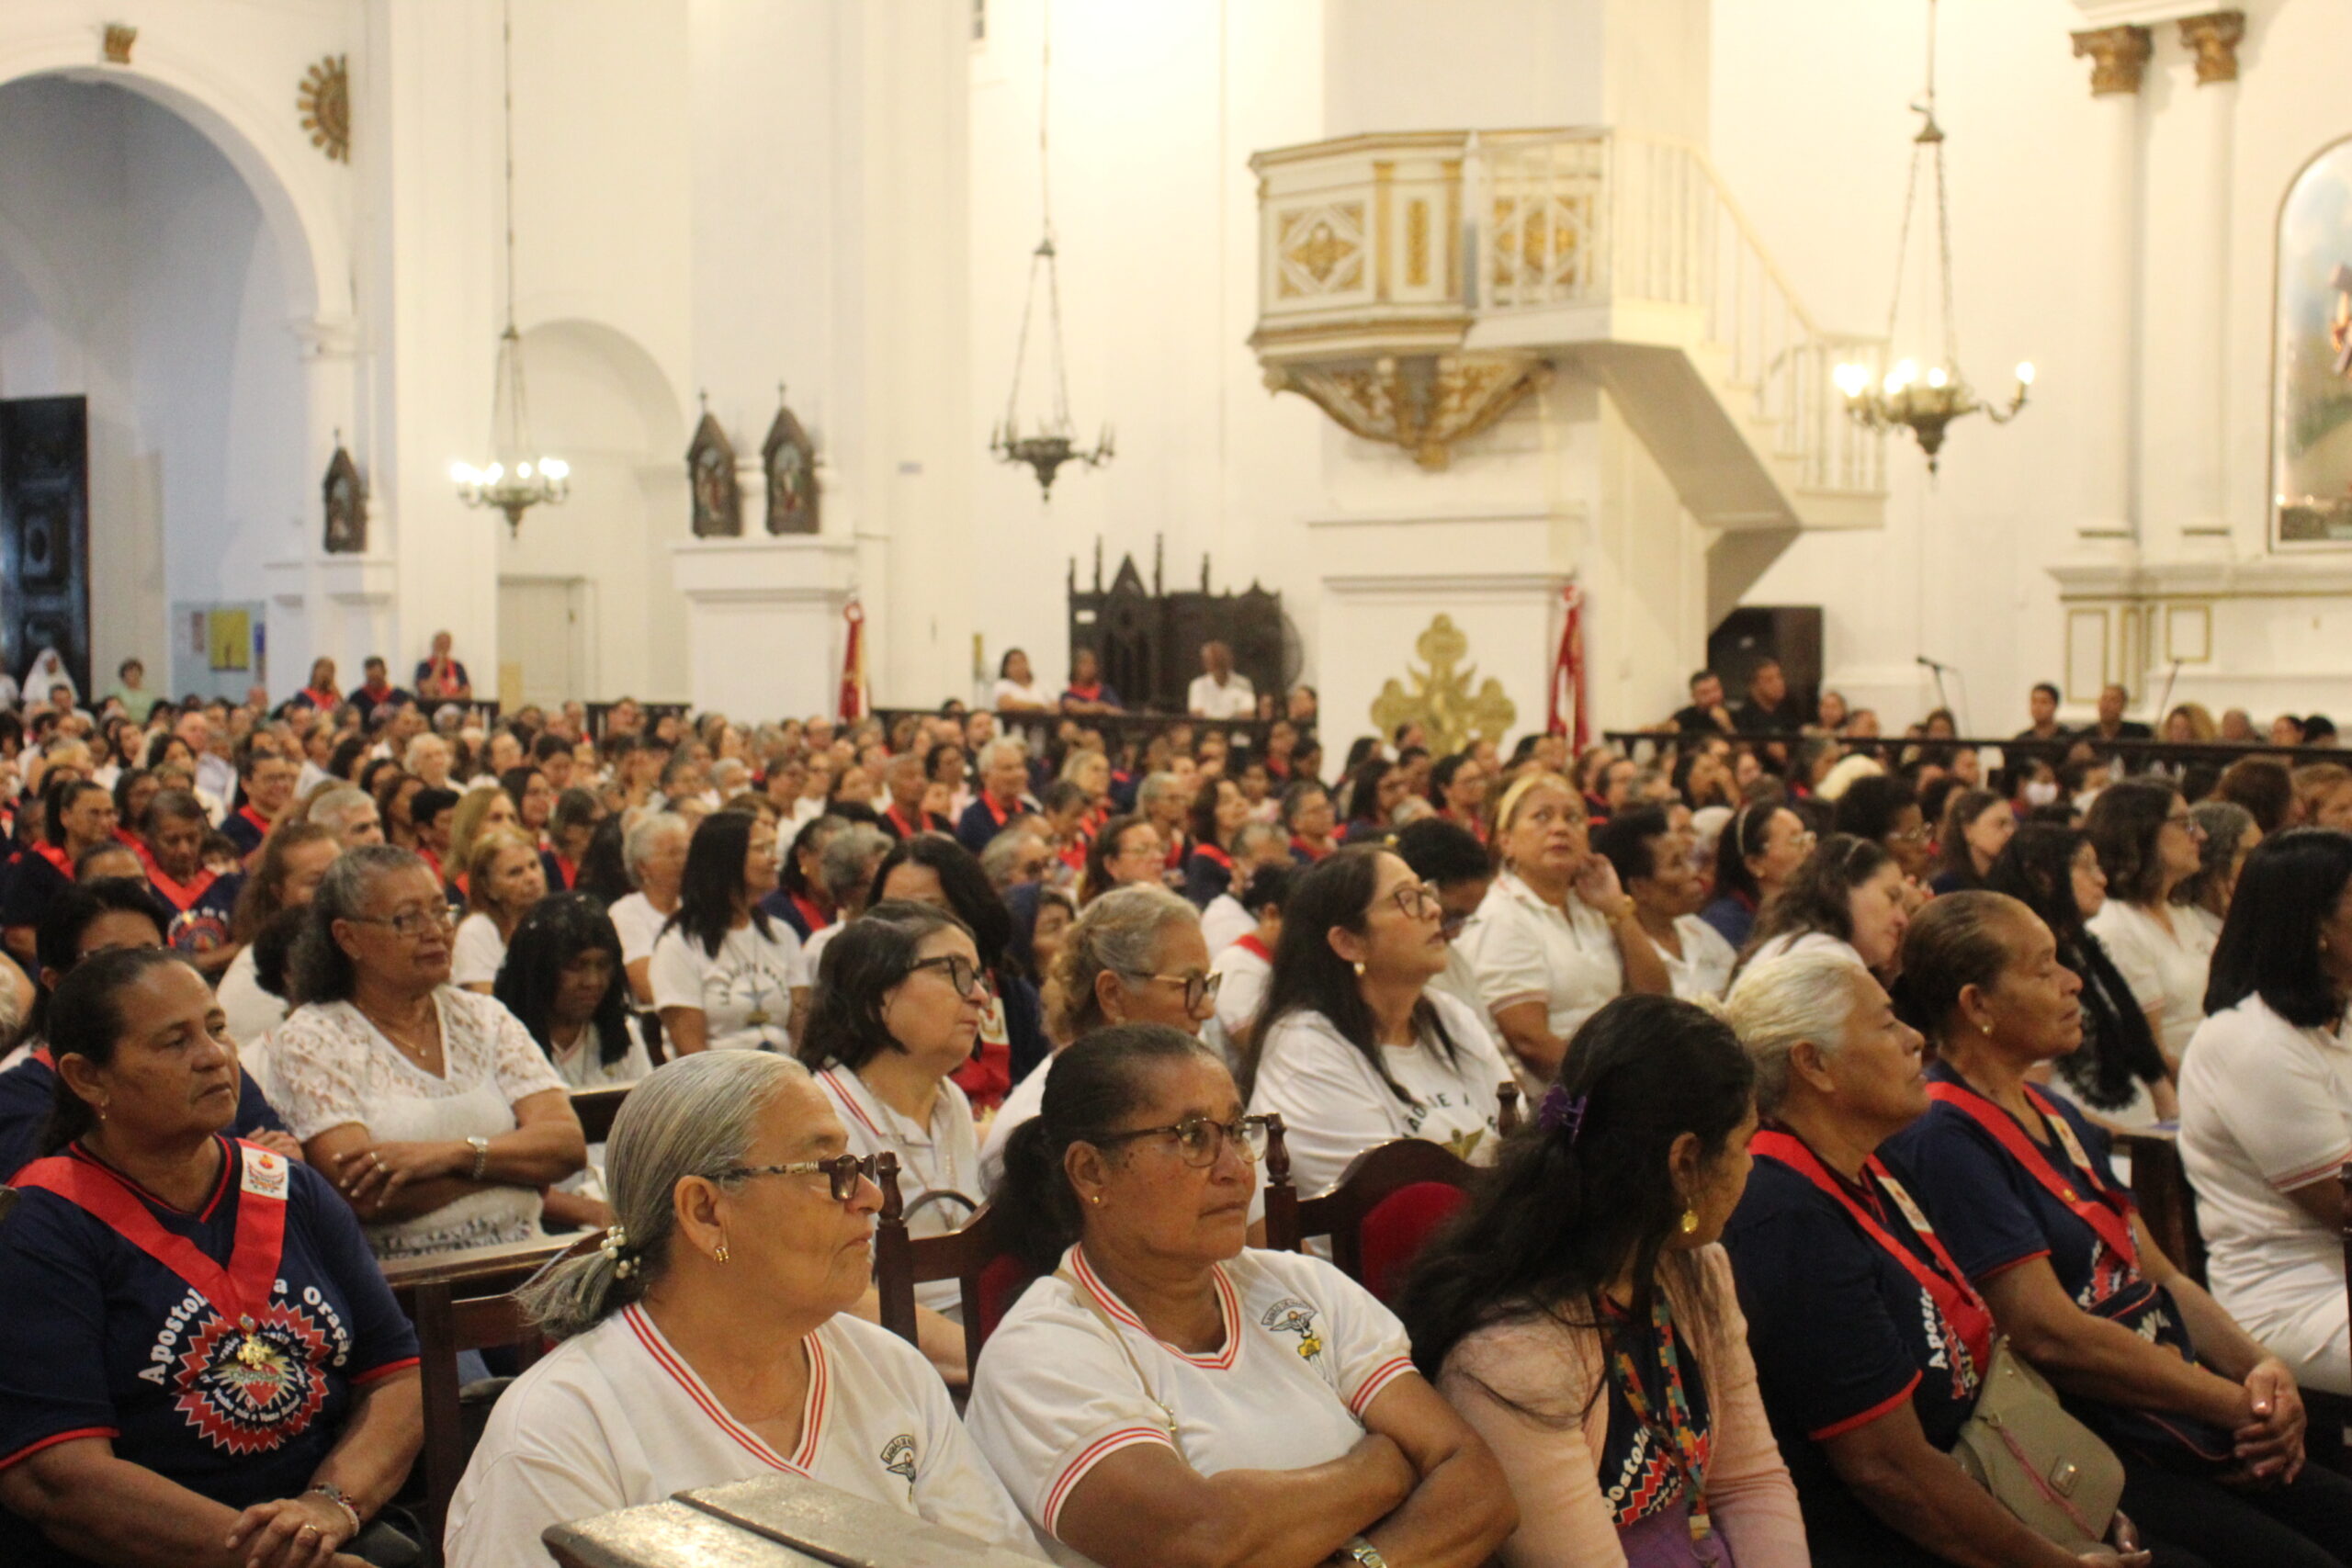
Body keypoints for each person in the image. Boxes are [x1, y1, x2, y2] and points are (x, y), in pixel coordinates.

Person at [1887, 892, 2352, 1568]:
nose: (2073, 981)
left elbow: (2156, 1272)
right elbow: (2050, 1332)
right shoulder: (1943, 1134)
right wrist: (2238, 1404)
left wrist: (2260, 1368)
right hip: (2097, 1438)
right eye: (2044, 968)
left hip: (2173, 1405)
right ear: (1977, 1004)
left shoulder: (2051, 1108)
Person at [443, 1052, 1036, 1568]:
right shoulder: (562, 1429)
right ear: (704, 1210)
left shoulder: (889, 1368)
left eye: (854, 1167)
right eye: (829, 1170)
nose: (870, 1196)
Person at [969, 1025, 1514, 1568]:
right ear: (1091, 1170)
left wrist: (1358, 1562)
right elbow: (1204, 1542)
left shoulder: (1304, 1287)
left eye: (1236, 1130)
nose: (1234, 1169)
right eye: (1192, 1137)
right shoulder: (1042, 1352)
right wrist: (1389, 1464)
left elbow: (1480, 1486)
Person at [0, 949, 425, 1568]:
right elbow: (61, 1477)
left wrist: (327, 1507)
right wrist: (285, 1557)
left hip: (325, 1530)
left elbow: (396, 1374)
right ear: (88, 1078)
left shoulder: (292, 1189)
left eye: (217, 1028)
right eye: (174, 1042)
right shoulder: (45, 1223)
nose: (214, 1055)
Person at [1721, 949, 2122, 1568]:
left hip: (1993, 1479)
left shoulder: (1873, 1162)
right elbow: (1890, 1470)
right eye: (1885, 1025)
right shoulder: (1785, 1214)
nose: (1914, 1039)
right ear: (1814, 1064)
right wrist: (2052, 1558)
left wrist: (2071, 1499)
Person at [1399, 994, 1804, 1568]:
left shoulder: (1697, 1270)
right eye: (1743, 1144)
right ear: (1684, 1161)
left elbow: (1751, 1481)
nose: (1750, 1166)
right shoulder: (1512, 1361)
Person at [268, 845, 587, 1259]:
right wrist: (513, 1170)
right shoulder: (313, 1039)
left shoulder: (484, 1017)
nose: (435, 931)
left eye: (441, 911)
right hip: (408, 1286)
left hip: (530, 1259)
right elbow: (366, 1195)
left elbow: (565, 1146)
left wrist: (450, 1155)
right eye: (407, 919)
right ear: (348, 937)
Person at [2179, 829, 2352, 1400]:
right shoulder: (2252, 1043)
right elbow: (2345, 1208)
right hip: (2296, 1296)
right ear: (2316, 927)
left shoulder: (2337, 1015)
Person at [1244, 846, 1511, 1195]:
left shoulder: (1450, 1017)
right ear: (1348, 942)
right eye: (1406, 899)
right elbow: (1395, 1205)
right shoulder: (1306, 1047)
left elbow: (1518, 1137)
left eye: (1425, 893)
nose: (1434, 909)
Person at [797, 902, 988, 1375]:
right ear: (878, 993)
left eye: (980, 977)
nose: (981, 996)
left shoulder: (952, 1103)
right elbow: (840, 1297)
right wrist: (993, 1362)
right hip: (882, 1367)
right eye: (956, 973)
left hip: (974, 1342)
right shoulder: (823, 1120)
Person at [0, 880, 298, 1179]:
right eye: (111, 961)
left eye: (150, 954)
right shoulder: (19, 1092)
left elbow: (287, 1159)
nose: (142, 977)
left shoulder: (211, 1054)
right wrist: (244, 1163)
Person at [985, 884, 1216, 1179]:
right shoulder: (1043, 1132)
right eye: (1189, 984)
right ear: (1112, 995)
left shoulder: (1186, 1073)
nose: (1207, 1009)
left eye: (1207, 984)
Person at [1460, 773, 1669, 1081]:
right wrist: (1619, 1086)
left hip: (1613, 1072)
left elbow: (1657, 996)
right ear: (1506, 841)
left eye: (1572, 818)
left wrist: (1617, 908)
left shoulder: (1588, 904)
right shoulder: (1502, 917)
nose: (1559, 828)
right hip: (1558, 1098)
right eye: (1542, 817)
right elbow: (1531, 1045)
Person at [1986, 823, 2176, 1129]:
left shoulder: (2084, 947)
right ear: (2044, 878)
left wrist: (2171, 1121)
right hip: (2095, 1139)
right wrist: (2130, 1139)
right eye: (2086, 868)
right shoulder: (2023, 963)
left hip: (2142, 1132)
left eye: (2098, 866)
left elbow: (2139, 1041)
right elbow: (2033, 1095)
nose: (2102, 878)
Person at [869, 832, 1051, 1104]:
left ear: (966, 909)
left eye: (930, 909)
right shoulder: (864, 996)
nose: (908, 926)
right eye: (893, 911)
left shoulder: (1011, 993)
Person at [650, 811, 808, 1055]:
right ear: (727, 858)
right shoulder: (679, 944)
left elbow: (800, 1030)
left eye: (772, 849)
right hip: (716, 1085)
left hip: (783, 1080)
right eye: (761, 849)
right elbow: (691, 1052)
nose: (774, 860)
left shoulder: (782, 935)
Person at [2084, 780, 2211, 1074]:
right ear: (2139, 833)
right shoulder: (2116, 928)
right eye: (2185, 823)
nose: (2200, 835)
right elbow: (2151, 1053)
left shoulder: (2181, 914)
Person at [494, 892, 652, 1091]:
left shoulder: (622, 1033)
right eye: (576, 966)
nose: (593, 981)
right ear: (541, 969)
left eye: (603, 966)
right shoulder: (503, 1039)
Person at [215, 824, 342, 1055]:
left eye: (339, 877)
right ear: (279, 892)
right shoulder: (254, 970)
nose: (333, 892)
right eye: (315, 882)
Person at [1596, 806, 1737, 1001]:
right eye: (1676, 864)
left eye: (1688, 860)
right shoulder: (1616, 952)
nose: (1693, 873)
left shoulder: (1695, 928)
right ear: (1640, 887)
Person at [1743, 834, 1913, 981]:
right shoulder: (1828, 962)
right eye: (1892, 897)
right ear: (1843, 887)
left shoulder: (1806, 948)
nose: (1902, 920)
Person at [3, 778, 121, 967]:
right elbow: (19, 935)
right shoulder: (37, 865)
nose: (105, 822)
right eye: (94, 813)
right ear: (66, 817)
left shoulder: (120, 862)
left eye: (110, 813)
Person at [137, 788, 243, 973]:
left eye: (192, 839)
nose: (184, 850)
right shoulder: (141, 891)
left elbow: (251, 943)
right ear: (149, 839)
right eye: (172, 841)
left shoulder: (229, 882)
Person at [1700, 802, 1812, 951]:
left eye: (1807, 838)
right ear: (1755, 864)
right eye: (1795, 841)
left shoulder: (1808, 907)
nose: (1809, 849)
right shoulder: (1726, 923)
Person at [451, 829, 548, 995]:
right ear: (488, 887)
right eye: (515, 872)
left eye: (534, 865)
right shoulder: (476, 931)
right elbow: (485, 1005)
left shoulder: (550, 922)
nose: (532, 878)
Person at [608, 810, 688, 1007]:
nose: (684, 861)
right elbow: (648, 988)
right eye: (674, 853)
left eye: (687, 852)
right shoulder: (627, 912)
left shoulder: (694, 907)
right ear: (643, 867)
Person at [1199, 820, 1294, 953]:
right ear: (1235, 866)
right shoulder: (1223, 920)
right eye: (1266, 865)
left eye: (1284, 866)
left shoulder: (1283, 910)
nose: (1277, 874)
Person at [2176, 800, 2260, 943]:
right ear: (2216, 860)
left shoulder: (2255, 922)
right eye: (2250, 854)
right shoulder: (2184, 928)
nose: (2261, 863)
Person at [1181, 776, 1254, 909]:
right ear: (1210, 813)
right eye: (1226, 801)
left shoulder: (1252, 851)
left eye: (1240, 796)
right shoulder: (1203, 860)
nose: (1239, 803)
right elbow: (1207, 908)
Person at [1928, 789, 2015, 897]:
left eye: (2012, 824)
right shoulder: (1947, 886)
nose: (2010, 832)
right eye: (2000, 824)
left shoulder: (2013, 882)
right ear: (1968, 831)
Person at [220, 748, 298, 862]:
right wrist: (279, 820)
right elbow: (248, 871)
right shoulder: (233, 827)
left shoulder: (297, 821)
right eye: (271, 779)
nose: (281, 785)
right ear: (246, 785)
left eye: (283, 777)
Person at [1080, 815, 1163, 907]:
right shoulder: (1104, 915)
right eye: (1142, 850)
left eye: (1159, 848)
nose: (1158, 857)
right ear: (1111, 865)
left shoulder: (1169, 904)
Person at [1186, 639, 1257, 720]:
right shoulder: (1197, 685)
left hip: (1237, 730)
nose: (1216, 663)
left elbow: (1247, 714)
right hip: (1207, 730)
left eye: (1219, 658)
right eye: (1211, 659)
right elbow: (1197, 716)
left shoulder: (1244, 683)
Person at [1671, 670, 1738, 737]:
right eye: (1705, 693)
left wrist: (1728, 726)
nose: (1712, 696)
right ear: (1694, 696)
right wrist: (1669, 728)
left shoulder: (1735, 714)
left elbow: (1743, 746)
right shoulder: (1686, 716)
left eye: (1715, 690)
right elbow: (1666, 728)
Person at [1060, 646, 1125, 714]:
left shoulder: (1105, 692)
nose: (1090, 668)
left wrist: (1101, 707)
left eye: (1092, 663)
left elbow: (1120, 713)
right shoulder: (1068, 696)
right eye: (1084, 664)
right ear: (1075, 667)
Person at [414, 630, 471, 703]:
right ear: (434, 645)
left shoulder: (457, 666)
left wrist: (448, 699)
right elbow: (426, 690)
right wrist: (439, 666)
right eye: (440, 644)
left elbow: (467, 692)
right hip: (433, 707)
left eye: (446, 644)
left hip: (455, 705)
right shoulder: (424, 666)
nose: (443, 647)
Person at [992, 649, 1054, 714]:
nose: (1019, 666)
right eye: (1014, 663)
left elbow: (1055, 706)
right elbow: (1007, 705)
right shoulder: (1002, 685)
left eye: (1022, 661)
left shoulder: (1042, 684)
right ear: (1005, 667)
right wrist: (1039, 707)